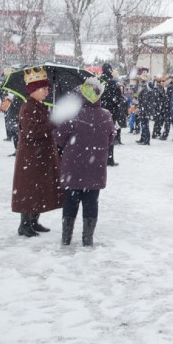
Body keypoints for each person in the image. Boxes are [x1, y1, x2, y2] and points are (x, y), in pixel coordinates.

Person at [55, 77, 116, 246]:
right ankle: (87, 238)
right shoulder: (106, 115)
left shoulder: (73, 114)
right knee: (91, 203)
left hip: (73, 167)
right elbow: (111, 137)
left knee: (70, 202)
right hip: (95, 167)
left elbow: (59, 137)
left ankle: (66, 237)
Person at [11, 67, 62, 237]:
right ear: (35, 90)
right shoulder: (27, 108)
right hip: (31, 156)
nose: (47, 92)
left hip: (39, 155)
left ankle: (33, 220)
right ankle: (24, 224)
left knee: (38, 188)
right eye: (45, 89)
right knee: (28, 189)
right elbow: (32, 132)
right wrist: (52, 123)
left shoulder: (39, 105)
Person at [99, 63, 126, 166]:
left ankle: (99, 158)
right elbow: (118, 99)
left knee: (100, 136)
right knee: (110, 136)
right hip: (111, 113)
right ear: (110, 70)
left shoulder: (98, 81)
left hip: (99, 112)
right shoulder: (113, 83)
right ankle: (109, 159)